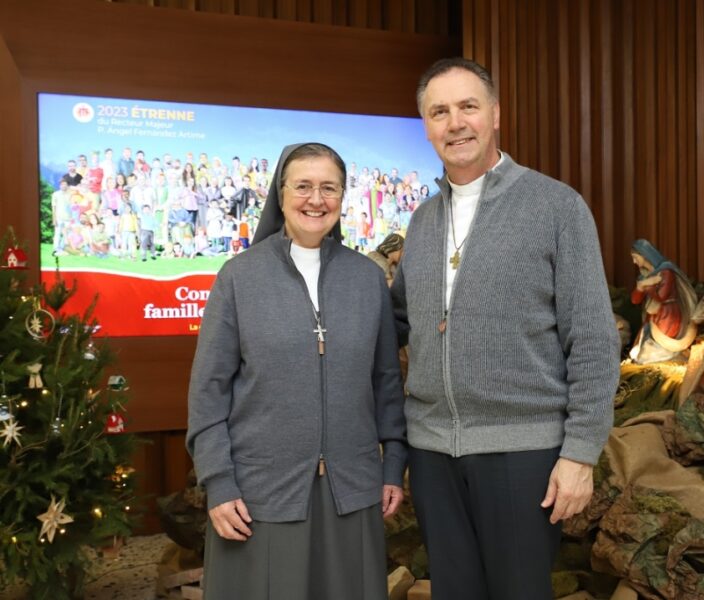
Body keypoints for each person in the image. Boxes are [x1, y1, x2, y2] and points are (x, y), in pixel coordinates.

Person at [391, 58, 620, 600]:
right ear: (426, 125)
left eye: (468, 106)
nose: (455, 123)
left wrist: (581, 452)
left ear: (494, 113)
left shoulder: (556, 206)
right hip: (432, 455)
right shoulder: (423, 220)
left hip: (523, 453)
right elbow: (398, 322)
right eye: (439, 111)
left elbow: (591, 336)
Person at [186, 142, 406, 599]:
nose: (316, 199)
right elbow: (208, 390)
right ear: (280, 194)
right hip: (260, 494)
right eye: (303, 186)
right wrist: (219, 482)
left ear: (343, 198)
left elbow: (385, 380)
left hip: (352, 488)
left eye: (329, 188)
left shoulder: (366, 280)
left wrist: (394, 465)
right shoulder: (238, 277)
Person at [628, 238, 698, 363]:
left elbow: (662, 296)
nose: (634, 261)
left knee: (654, 352)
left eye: (635, 257)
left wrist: (646, 286)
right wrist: (641, 286)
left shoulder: (666, 272)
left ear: (644, 255)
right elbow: (635, 300)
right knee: (637, 351)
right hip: (652, 316)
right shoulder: (645, 276)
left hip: (668, 315)